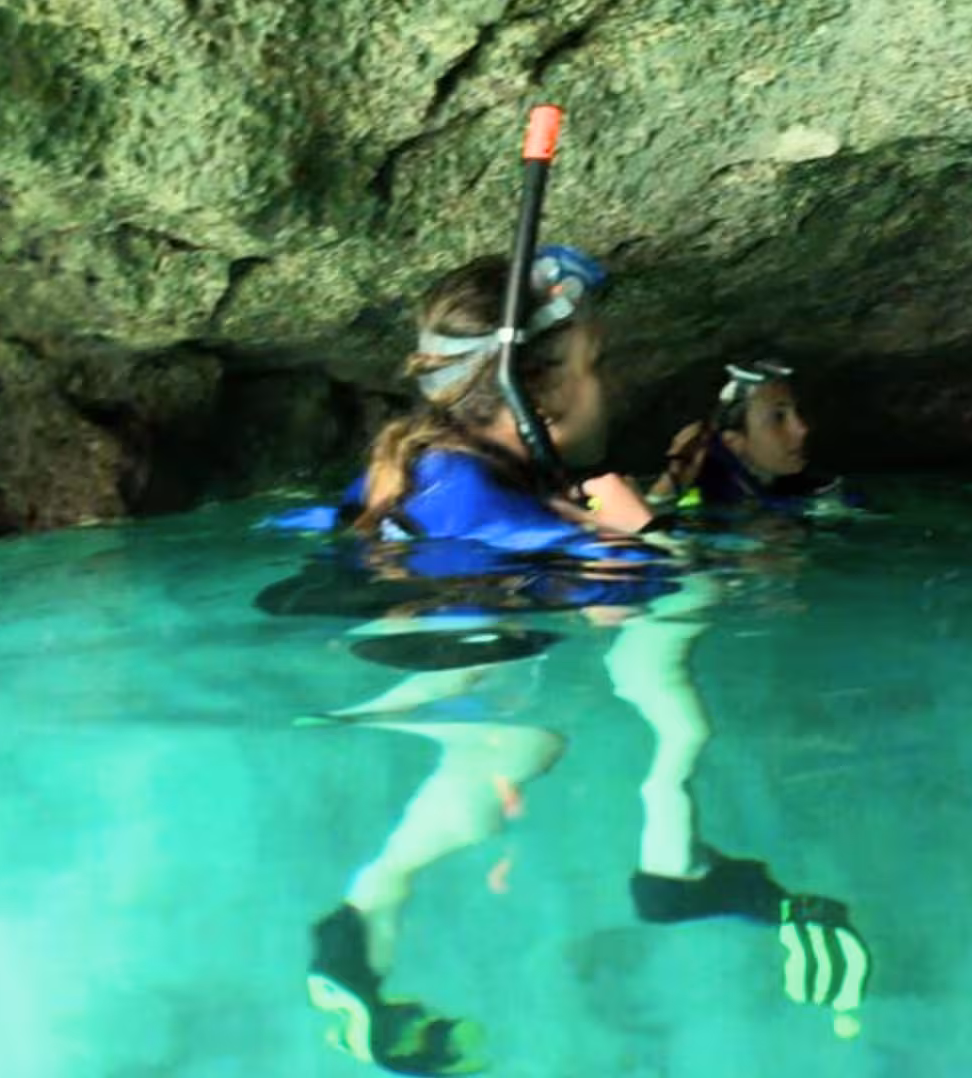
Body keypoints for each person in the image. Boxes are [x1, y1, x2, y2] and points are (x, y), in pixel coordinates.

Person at [290, 253, 870, 1076]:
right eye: (595, 366)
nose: (610, 386)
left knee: (524, 744)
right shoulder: (474, 492)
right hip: (442, 634)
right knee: (671, 616)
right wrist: (645, 535)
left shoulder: (439, 466)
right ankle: (670, 861)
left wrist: (608, 514)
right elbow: (637, 584)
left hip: (412, 628)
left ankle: (366, 912)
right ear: (538, 391)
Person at [649, 361, 853, 520]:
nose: (802, 429)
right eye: (778, 418)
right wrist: (672, 482)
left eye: (798, 412)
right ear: (733, 441)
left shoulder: (817, 489)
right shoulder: (706, 499)